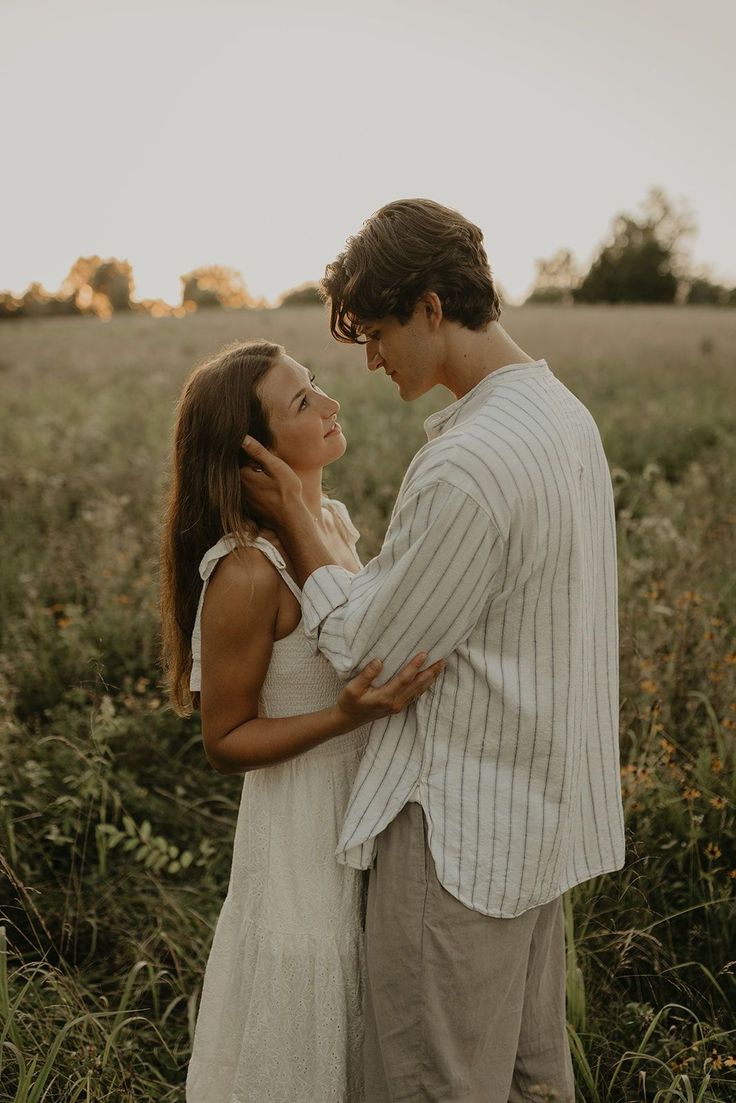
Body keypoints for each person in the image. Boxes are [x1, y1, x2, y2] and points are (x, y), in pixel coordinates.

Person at [241, 199, 627, 1103]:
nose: (369, 362)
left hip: (457, 842)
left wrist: (301, 527)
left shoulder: (468, 463)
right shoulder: (562, 417)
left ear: (427, 306)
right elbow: (435, 608)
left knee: (431, 1088)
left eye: (376, 334)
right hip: (538, 831)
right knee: (533, 1086)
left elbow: (370, 661)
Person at [159, 339, 444, 1103]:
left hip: (362, 825)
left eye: (315, 386)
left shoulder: (332, 525)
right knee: (303, 1049)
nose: (330, 404)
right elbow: (224, 741)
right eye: (302, 403)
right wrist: (342, 714)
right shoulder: (248, 571)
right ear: (250, 453)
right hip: (298, 845)